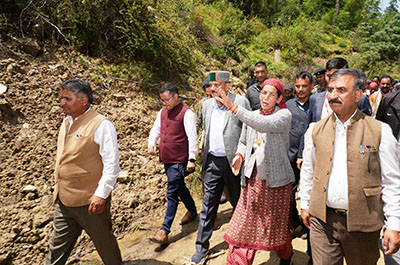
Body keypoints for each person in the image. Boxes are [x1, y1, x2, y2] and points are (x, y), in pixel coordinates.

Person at [299, 69, 400, 265]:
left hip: (363, 223)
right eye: (330, 90)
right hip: (322, 222)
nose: (333, 95)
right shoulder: (315, 130)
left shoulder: (380, 131)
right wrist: (305, 204)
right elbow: (308, 170)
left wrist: (394, 223)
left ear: (357, 95)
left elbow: (391, 181)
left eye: (341, 90)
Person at [45, 79, 122, 265]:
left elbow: (112, 164)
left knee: (105, 246)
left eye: (67, 99)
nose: (61, 103)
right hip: (64, 200)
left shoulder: (101, 125)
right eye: (61, 98)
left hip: (91, 202)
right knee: (56, 251)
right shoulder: (66, 122)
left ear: (83, 100)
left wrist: (101, 195)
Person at [218, 78, 295, 265]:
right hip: (252, 180)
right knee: (244, 224)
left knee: (276, 225)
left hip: (276, 181)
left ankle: (286, 257)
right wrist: (239, 155)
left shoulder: (284, 115)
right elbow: (244, 141)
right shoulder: (251, 115)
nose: (265, 97)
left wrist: (233, 107)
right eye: (263, 93)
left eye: (271, 94)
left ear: (278, 99)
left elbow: (261, 124)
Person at [191, 70, 250, 265]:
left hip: (234, 162)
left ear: (227, 85)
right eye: (210, 86)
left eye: (216, 85)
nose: (212, 89)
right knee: (208, 204)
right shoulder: (206, 105)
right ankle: (201, 247)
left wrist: (242, 156)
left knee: (240, 203)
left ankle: (244, 242)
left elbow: (248, 131)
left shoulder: (240, 102)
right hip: (212, 161)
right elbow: (203, 131)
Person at [148, 82, 198, 244]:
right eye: (162, 100)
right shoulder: (162, 112)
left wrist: (192, 158)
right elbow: (156, 129)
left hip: (179, 159)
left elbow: (192, 137)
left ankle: (164, 230)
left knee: (172, 192)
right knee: (179, 186)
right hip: (167, 158)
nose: (165, 103)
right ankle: (192, 210)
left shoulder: (186, 113)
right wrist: (152, 142)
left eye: (167, 99)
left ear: (176, 96)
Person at [309, 57, 371, 123]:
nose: (332, 79)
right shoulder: (315, 99)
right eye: (328, 76)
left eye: (336, 75)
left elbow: (366, 127)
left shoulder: (360, 99)